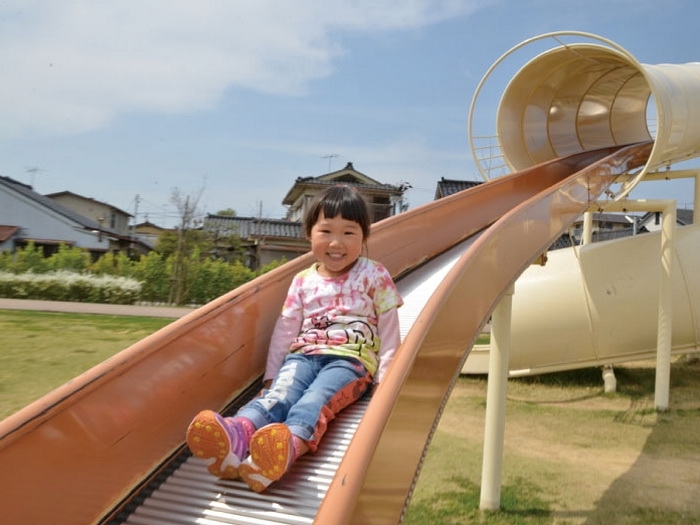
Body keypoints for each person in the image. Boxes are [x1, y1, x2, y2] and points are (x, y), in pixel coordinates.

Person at [186, 184, 403, 493]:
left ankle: (286, 447)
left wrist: (385, 377)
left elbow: (389, 326)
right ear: (309, 234)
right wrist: (272, 374)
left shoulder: (374, 274)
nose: (336, 242)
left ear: (364, 237)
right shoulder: (303, 280)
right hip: (303, 355)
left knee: (314, 400)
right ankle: (238, 434)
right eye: (326, 231)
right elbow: (286, 328)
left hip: (350, 361)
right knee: (278, 396)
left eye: (349, 233)